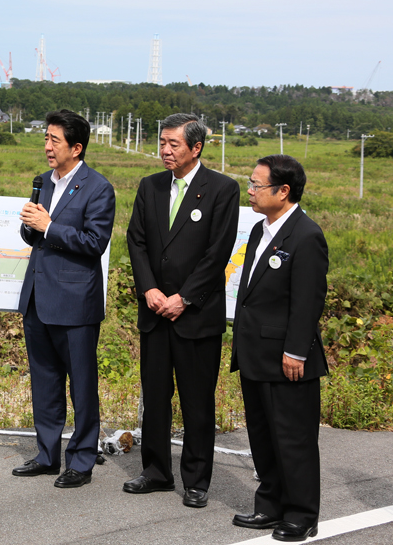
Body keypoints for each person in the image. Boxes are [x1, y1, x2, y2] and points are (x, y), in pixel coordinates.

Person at [124, 112, 239, 507]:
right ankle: (156, 472)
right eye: (162, 143)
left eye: (173, 144)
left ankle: (196, 480)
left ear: (196, 147)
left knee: (196, 401)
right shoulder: (151, 186)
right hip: (155, 312)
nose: (165, 151)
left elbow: (218, 252)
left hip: (196, 315)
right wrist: (149, 289)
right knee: (155, 398)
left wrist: (184, 297)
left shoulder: (222, 189)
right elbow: (136, 240)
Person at [13, 109, 116, 489]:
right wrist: (31, 225)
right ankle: (46, 455)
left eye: (54, 140)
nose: (47, 146)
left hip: (75, 303)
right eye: (46, 138)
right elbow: (35, 236)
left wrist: (49, 226)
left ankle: (82, 460)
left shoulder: (98, 188)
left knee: (82, 386)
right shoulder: (43, 182)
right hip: (38, 299)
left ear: (76, 147)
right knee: (44, 382)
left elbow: (94, 242)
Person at [230, 155, 328, 542]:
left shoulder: (306, 235)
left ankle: (301, 514)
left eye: (257, 185)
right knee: (263, 435)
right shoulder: (260, 230)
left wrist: (296, 351)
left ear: (283, 191)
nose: (250, 191)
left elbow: (308, 301)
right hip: (255, 351)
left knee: (293, 438)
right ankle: (269, 504)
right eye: (250, 183)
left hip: (287, 357)